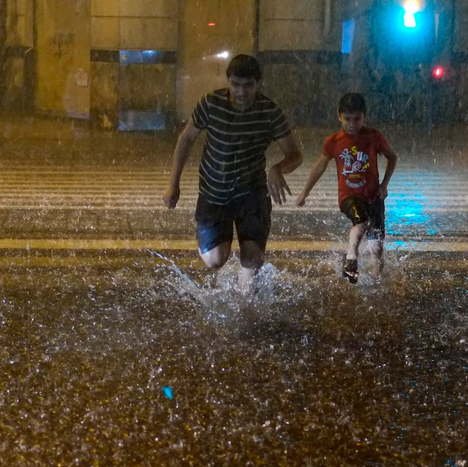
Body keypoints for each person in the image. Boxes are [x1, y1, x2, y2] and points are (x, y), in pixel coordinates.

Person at [163, 54, 303, 291]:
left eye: (248, 85)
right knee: (215, 260)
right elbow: (186, 139)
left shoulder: (269, 112)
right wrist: (173, 183)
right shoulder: (211, 104)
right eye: (235, 84)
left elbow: (295, 155)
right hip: (214, 193)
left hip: (252, 193)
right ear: (228, 81)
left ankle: (244, 305)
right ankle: (217, 244)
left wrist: (278, 168)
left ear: (258, 84)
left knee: (252, 259)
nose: (241, 92)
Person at [295, 92, 398, 284]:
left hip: (374, 197)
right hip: (348, 196)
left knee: (377, 250)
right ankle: (351, 257)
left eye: (357, 119)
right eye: (347, 119)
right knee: (361, 222)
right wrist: (304, 192)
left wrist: (384, 185)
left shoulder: (373, 136)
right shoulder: (334, 141)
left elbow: (392, 157)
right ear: (339, 116)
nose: (352, 125)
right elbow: (320, 165)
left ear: (364, 116)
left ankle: (377, 283)